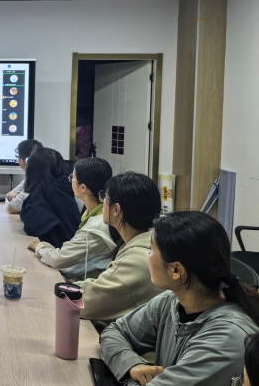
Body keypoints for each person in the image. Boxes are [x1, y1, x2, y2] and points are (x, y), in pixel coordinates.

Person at [101, 212, 259, 386]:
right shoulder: (171, 301)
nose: (148, 255)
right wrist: (132, 365)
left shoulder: (226, 340)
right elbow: (114, 332)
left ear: (176, 270)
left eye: (151, 249)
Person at [73, 172, 164, 327]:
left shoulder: (137, 260)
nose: (102, 203)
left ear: (116, 209)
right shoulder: (147, 241)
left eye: (105, 198)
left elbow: (84, 303)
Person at [30, 157, 116, 280]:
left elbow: (57, 260)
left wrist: (41, 247)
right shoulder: (101, 212)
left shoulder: (95, 227)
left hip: (84, 283)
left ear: (83, 188)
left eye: (72, 178)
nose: (69, 180)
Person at [18, 147, 80, 248]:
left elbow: (31, 227)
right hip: (69, 245)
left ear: (33, 168)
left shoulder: (45, 190)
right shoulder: (63, 183)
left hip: (59, 249)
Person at [7, 139, 42, 214]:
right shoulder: (32, 176)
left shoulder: (38, 178)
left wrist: (20, 199)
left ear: (22, 161)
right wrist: (21, 198)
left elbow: (13, 207)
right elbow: (10, 195)